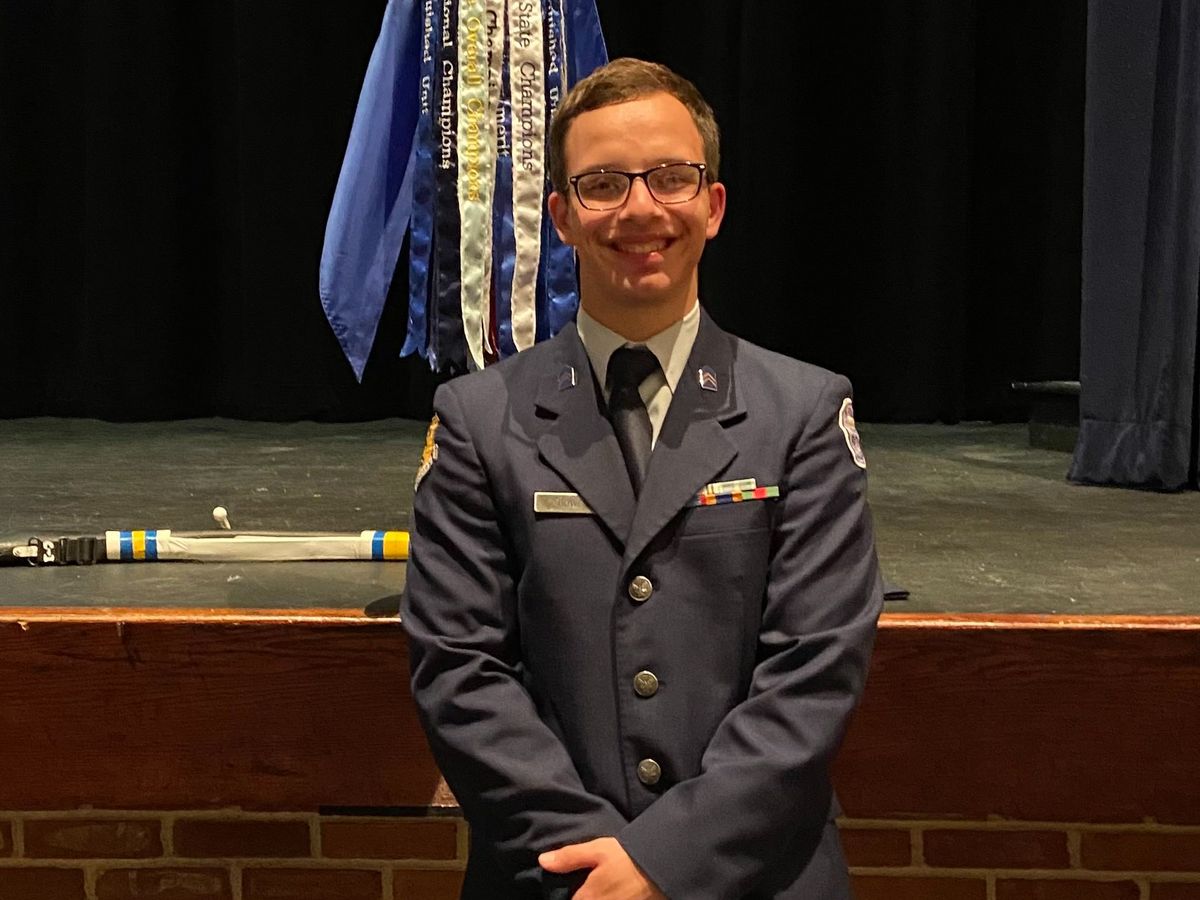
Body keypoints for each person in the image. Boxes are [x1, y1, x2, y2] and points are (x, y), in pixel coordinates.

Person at [402, 57, 883, 900]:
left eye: (670, 177)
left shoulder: (803, 412)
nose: (640, 209)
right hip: (556, 880)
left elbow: (814, 670)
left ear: (713, 205)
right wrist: (597, 870)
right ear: (561, 216)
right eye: (602, 184)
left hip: (758, 876)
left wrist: (665, 863)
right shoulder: (479, 419)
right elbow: (460, 671)